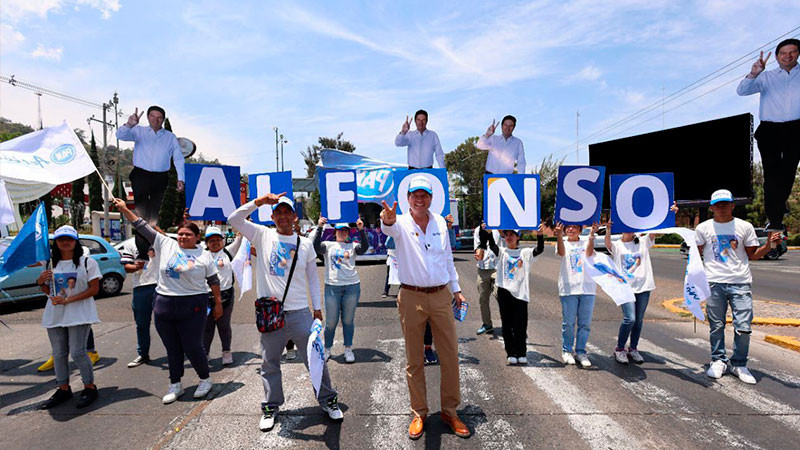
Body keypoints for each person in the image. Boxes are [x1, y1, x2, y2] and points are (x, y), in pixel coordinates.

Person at [228, 194, 343, 432]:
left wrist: (317, 308)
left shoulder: (305, 244)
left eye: (287, 212)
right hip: (271, 313)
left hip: (300, 313)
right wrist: (259, 201)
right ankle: (271, 406)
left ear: (294, 217)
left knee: (315, 358)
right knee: (270, 363)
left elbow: (312, 278)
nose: (282, 216)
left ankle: (328, 399)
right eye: (278, 212)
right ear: (272, 216)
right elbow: (234, 218)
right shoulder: (262, 235)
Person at [380, 176, 470, 440]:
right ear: (408, 198)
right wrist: (387, 220)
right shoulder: (400, 222)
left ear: (431, 198)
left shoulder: (440, 221)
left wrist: (456, 289)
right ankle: (419, 412)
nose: (420, 199)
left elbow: (447, 258)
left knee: (450, 355)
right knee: (414, 359)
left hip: (441, 295)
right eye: (415, 195)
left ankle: (450, 411)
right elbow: (388, 229)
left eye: (424, 195)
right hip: (411, 296)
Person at [113, 198, 222, 404]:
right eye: (180, 233)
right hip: (164, 304)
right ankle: (175, 384)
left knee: (192, 345)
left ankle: (205, 379)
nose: (183, 237)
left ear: (197, 237)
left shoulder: (205, 255)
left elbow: (214, 281)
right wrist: (126, 210)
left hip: (193, 305)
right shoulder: (165, 243)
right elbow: (141, 225)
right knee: (172, 347)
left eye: (188, 234)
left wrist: (218, 303)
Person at [695, 189, 780, 384]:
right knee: (716, 325)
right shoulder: (703, 228)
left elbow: (753, 255)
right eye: (717, 204)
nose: (721, 207)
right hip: (714, 282)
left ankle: (739, 363)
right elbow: (695, 255)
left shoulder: (744, 226)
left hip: (740, 282)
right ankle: (718, 360)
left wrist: (768, 245)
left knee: (743, 326)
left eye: (725, 203)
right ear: (711, 207)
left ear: (732, 205)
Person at [736, 39, 800, 231]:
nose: (788, 56)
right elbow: (742, 91)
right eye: (783, 53)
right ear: (777, 57)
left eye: (792, 52)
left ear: (798, 54)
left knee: (788, 172)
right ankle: (775, 219)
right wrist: (754, 73)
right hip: (770, 130)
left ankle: (778, 206)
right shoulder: (766, 77)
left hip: (796, 129)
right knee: (771, 174)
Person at [36, 225, 101, 409]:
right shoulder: (49, 263)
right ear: (55, 242)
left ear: (75, 241)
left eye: (69, 239)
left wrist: (68, 300)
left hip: (79, 313)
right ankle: (63, 388)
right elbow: (48, 290)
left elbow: (94, 289)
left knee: (78, 352)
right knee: (58, 353)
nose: (65, 242)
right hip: (55, 313)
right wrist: (41, 282)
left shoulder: (87, 262)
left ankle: (89, 387)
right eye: (61, 239)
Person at [604, 204, 678, 365]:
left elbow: (658, 228)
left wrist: (669, 213)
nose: (628, 230)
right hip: (625, 288)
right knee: (629, 319)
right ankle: (620, 348)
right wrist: (608, 228)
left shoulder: (643, 242)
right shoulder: (617, 245)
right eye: (625, 227)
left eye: (631, 227)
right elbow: (607, 244)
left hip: (644, 288)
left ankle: (633, 348)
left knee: (638, 321)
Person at [116, 105, 186, 259]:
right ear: (148, 117)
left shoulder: (170, 137)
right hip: (141, 175)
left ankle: (152, 249)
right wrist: (129, 124)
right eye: (153, 116)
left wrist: (181, 178)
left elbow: (178, 158)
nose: (156, 120)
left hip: (160, 177)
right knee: (141, 213)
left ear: (163, 119)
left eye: (159, 117)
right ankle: (142, 252)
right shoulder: (138, 131)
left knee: (154, 215)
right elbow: (120, 135)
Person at [477, 226, 545, 364]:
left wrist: (539, 235)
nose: (509, 237)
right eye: (506, 235)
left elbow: (539, 249)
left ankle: (521, 352)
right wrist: (489, 233)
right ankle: (511, 353)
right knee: (507, 325)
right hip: (504, 292)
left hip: (520, 293)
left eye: (512, 235)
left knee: (521, 325)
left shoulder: (525, 253)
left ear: (518, 237)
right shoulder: (502, 252)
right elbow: (493, 245)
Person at [312, 218, 368, 363]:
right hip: (332, 287)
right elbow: (316, 247)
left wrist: (361, 229)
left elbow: (364, 248)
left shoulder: (353, 246)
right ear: (335, 232)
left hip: (352, 286)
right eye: (340, 230)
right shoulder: (328, 245)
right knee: (331, 321)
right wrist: (319, 227)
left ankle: (348, 349)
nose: (342, 232)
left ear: (348, 233)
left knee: (348, 320)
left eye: (345, 230)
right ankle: (327, 348)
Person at [555, 222, 598, 368]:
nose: (571, 229)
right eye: (568, 227)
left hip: (587, 288)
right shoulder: (563, 242)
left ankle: (580, 352)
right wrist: (559, 235)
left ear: (580, 229)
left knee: (585, 324)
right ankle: (567, 351)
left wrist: (592, 234)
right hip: (568, 289)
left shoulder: (586, 241)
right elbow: (561, 253)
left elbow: (589, 254)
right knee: (569, 322)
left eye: (574, 227)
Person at [203, 226, 243, 366]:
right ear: (207, 243)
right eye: (211, 240)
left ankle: (226, 352)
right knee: (207, 327)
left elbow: (240, 237)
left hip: (226, 294)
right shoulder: (201, 255)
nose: (215, 243)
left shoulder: (228, 252)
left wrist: (243, 223)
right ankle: (205, 353)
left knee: (224, 325)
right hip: (206, 296)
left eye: (218, 240)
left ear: (223, 240)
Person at [120, 237, 160, 368]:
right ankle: (143, 354)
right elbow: (127, 267)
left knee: (167, 323)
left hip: (162, 285)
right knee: (142, 324)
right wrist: (136, 267)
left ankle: (176, 352)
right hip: (141, 287)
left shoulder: (160, 239)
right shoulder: (130, 243)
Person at [473, 225, 503, 336]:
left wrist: (498, 228)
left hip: (498, 267)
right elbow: (477, 247)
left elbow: (506, 237)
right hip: (483, 268)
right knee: (483, 298)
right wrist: (478, 253)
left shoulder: (500, 227)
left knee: (500, 296)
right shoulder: (478, 230)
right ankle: (487, 324)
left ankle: (508, 324)